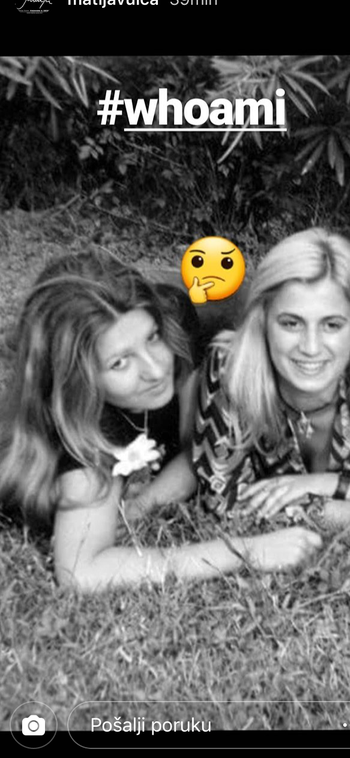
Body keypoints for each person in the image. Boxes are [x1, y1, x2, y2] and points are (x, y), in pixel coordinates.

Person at [0, 248, 321, 591]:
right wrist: (245, 550)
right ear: (78, 380)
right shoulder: (84, 440)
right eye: (120, 362)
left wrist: (143, 503)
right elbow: (81, 571)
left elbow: (199, 444)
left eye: (151, 337)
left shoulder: (173, 330)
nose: (155, 369)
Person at [193, 228, 350, 529]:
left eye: (332, 324)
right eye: (291, 323)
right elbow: (221, 502)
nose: (311, 347)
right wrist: (345, 511)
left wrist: (328, 483)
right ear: (263, 323)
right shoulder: (233, 367)